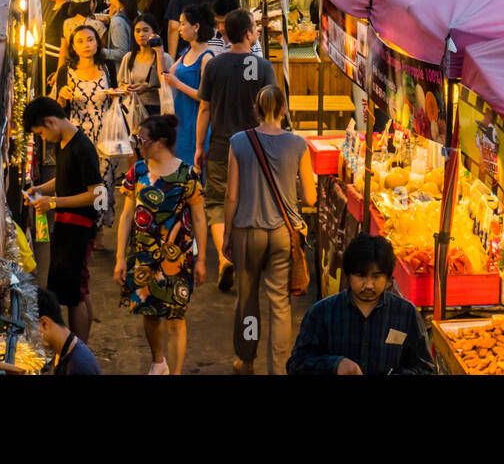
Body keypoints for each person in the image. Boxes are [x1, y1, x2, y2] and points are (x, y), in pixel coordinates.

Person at [223, 84, 316, 375]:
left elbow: (232, 195)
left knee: (247, 299)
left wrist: (227, 235)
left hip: (247, 231)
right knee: (280, 305)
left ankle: (247, 360)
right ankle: (279, 368)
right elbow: (311, 198)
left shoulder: (239, 141)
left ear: (256, 109)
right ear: (284, 109)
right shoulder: (298, 144)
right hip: (283, 234)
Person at [113, 113, 207, 375]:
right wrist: (121, 257)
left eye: (142, 139)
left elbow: (199, 219)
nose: (138, 144)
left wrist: (201, 260)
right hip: (143, 256)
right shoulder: (138, 171)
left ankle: (175, 372)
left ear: (160, 141)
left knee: (177, 319)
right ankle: (158, 361)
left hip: (178, 259)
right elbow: (127, 215)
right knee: (149, 312)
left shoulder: (187, 175)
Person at [196, 9, 277, 292]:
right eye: (254, 26)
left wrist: (198, 147)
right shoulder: (264, 67)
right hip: (257, 147)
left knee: (217, 203)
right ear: (247, 33)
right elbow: (274, 112)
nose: (256, 29)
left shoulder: (214, 67)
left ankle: (223, 256)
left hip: (220, 146)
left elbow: (204, 108)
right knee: (252, 202)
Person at [288, 235, 436, 375]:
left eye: (376, 276)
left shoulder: (406, 314)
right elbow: (296, 364)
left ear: (388, 278)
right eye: (361, 275)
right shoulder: (322, 313)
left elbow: (425, 368)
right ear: (348, 275)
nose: (369, 285)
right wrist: (335, 365)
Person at [24, 96, 104, 343]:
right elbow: (64, 179)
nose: (42, 138)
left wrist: (55, 202)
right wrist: (40, 189)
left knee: (73, 296)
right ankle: (79, 347)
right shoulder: (65, 144)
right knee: (78, 290)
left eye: (40, 133)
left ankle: (75, 350)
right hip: (67, 226)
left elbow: (97, 194)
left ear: (50, 122)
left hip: (78, 229)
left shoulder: (82, 148)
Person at [162, 4, 216, 170]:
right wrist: (158, 51)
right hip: (180, 123)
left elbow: (204, 96)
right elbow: (166, 76)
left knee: (192, 176)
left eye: (183, 23)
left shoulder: (207, 57)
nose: (179, 28)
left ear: (196, 26)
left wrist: (178, 84)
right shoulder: (186, 52)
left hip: (195, 125)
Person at [118, 14, 172, 119]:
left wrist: (147, 87)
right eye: (137, 31)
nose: (141, 34)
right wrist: (126, 88)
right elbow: (121, 83)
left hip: (156, 111)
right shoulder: (128, 58)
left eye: (146, 30)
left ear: (154, 33)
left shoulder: (165, 58)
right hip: (133, 110)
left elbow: (169, 88)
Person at [37, 287, 101, 376]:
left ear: (45, 324)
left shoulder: (79, 367)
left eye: (29, 331)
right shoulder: (63, 351)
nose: (29, 341)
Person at [103, 0, 137, 67]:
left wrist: (99, 51)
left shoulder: (118, 21)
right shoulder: (137, 13)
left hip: (121, 72)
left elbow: (121, 53)